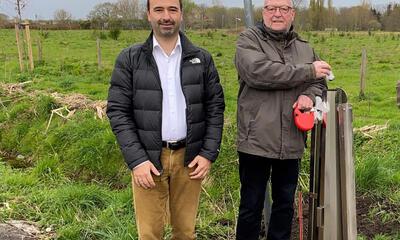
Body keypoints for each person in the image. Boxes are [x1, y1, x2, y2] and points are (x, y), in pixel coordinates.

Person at [106, 0, 225, 239]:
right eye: (159, 10)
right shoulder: (129, 59)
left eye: (172, 9)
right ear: (149, 15)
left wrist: (208, 153)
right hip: (148, 160)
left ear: (181, 14)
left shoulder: (201, 58)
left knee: (185, 232)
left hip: (189, 160)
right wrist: (137, 160)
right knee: (150, 234)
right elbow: (118, 111)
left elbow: (215, 108)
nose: (166, 16)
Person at [234, 0, 330, 239]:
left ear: (292, 13)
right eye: (271, 8)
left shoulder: (304, 47)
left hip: (291, 140)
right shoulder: (248, 40)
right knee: (251, 207)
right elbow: (259, 73)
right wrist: (307, 71)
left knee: (285, 206)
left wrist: (309, 95)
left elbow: (320, 81)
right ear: (263, 12)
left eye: (284, 9)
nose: (277, 14)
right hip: (256, 139)